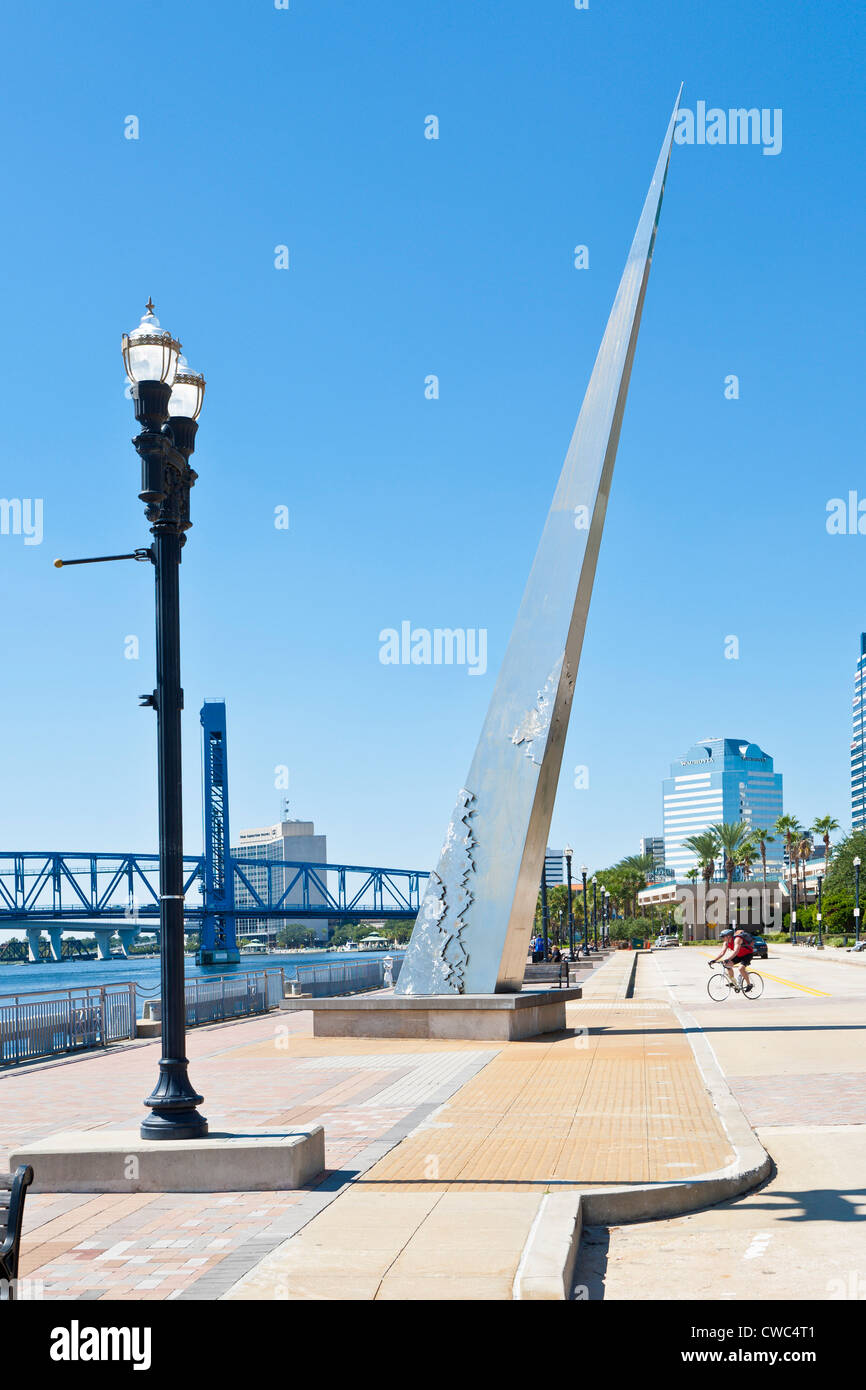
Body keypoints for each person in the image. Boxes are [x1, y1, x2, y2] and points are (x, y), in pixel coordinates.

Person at [709, 926, 755, 992]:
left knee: (740, 968)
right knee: (727, 965)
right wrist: (714, 960)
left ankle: (749, 984)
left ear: (728, 936)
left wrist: (728, 958)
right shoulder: (726, 943)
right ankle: (734, 983)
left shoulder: (737, 939)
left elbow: (736, 951)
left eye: (723, 937)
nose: (722, 938)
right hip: (738, 955)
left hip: (747, 954)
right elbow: (722, 953)